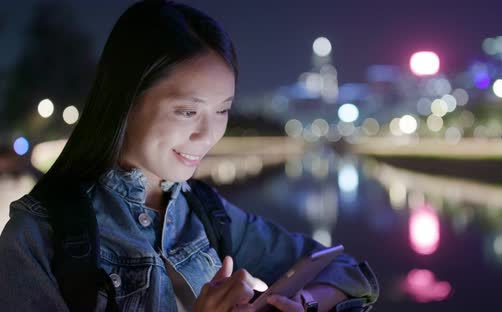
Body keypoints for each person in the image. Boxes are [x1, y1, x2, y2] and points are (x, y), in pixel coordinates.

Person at [0, 1, 379, 311]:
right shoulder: (38, 237)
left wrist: (303, 303)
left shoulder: (205, 213)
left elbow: (347, 269)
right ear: (126, 101)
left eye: (222, 110)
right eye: (187, 111)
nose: (207, 134)